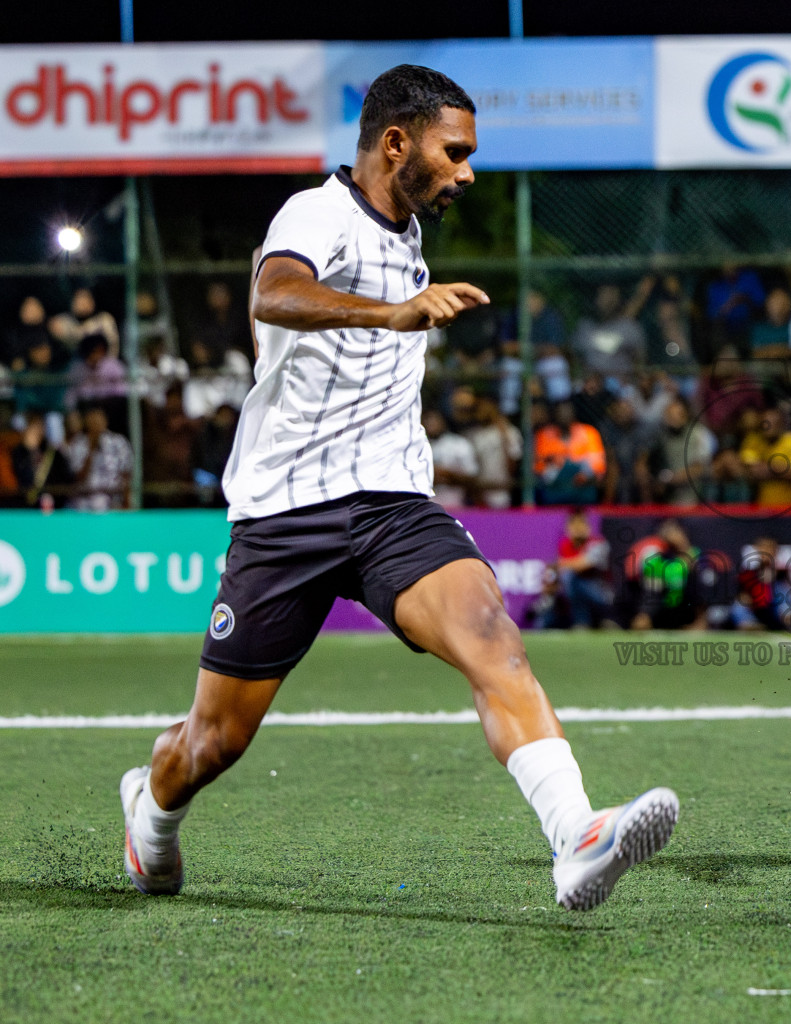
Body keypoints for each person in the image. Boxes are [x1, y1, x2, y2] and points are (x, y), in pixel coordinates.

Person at [115, 65, 675, 914]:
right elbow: (274, 293)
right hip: (285, 512)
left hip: (391, 503)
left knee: (494, 640)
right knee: (215, 741)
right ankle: (149, 819)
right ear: (395, 143)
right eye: (456, 153)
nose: (468, 173)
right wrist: (392, 313)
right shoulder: (317, 213)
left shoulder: (408, 231)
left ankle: (576, 835)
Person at [534, 400, 607, 505]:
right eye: (560, 412)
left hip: (583, 488)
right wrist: (558, 464)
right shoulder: (544, 435)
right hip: (555, 487)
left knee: (581, 466)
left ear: (573, 413)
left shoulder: (589, 432)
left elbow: (598, 465)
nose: (563, 415)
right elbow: (538, 466)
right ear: (554, 415)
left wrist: (582, 473)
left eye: (567, 411)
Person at [63, 404, 132, 510]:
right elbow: (78, 477)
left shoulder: (118, 441)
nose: (96, 424)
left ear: (105, 421)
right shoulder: (78, 443)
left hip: (112, 500)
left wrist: (127, 501)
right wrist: (91, 450)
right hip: (85, 502)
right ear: (86, 421)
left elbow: (126, 474)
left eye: (99, 419)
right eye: (93, 420)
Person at [738, 406, 791, 507]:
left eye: (774, 422)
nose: (768, 426)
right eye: (765, 422)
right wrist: (781, 469)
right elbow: (750, 471)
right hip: (763, 509)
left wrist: (768, 468)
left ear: (781, 424)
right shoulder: (753, 441)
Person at [572, 284, 645, 381]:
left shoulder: (629, 327)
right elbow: (575, 357)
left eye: (612, 296)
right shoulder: (584, 326)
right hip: (590, 384)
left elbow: (640, 360)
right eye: (604, 295)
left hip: (619, 386)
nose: (608, 301)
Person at [467, 395, 521, 509]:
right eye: (479, 408)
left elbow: (514, 464)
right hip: (481, 490)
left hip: (502, 491)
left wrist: (504, 437)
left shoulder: (509, 431)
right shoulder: (475, 435)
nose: (482, 411)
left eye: (485, 407)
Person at [424, 408, 477, 507]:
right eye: (427, 420)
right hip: (427, 506)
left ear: (443, 421)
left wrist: (448, 474)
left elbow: (472, 477)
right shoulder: (419, 446)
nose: (431, 424)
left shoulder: (459, 444)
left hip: (455, 504)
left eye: (434, 420)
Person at [49, 287, 119, 357]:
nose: (82, 304)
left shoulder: (104, 319)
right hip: (75, 363)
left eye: (85, 299)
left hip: (103, 362)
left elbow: (113, 345)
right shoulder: (63, 321)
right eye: (78, 300)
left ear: (92, 302)